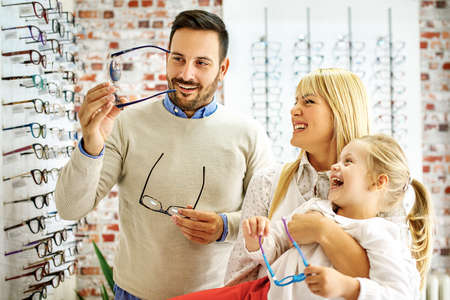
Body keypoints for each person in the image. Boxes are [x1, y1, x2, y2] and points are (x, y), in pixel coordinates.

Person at [54, 10, 273, 300]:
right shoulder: (126, 123)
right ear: (166, 59)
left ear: (223, 68)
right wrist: (91, 142)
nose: (186, 74)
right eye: (178, 59)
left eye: (202, 63)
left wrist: (224, 226)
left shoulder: (250, 133)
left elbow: (269, 219)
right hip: (134, 293)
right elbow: (70, 207)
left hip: (218, 294)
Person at [169, 134, 431, 300]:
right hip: (263, 293)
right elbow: (277, 243)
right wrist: (257, 239)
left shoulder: (381, 234)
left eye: (349, 162)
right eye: (339, 160)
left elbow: (400, 294)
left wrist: (347, 288)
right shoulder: (317, 207)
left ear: (378, 182)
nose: (336, 166)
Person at [225, 68, 373, 289]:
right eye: (296, 102)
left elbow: (388, 282)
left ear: (340, 111)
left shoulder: (381, 185)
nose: (294, 110)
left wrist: (321, 229)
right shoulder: (267, 182)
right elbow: (239, 278)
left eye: (308, 102)